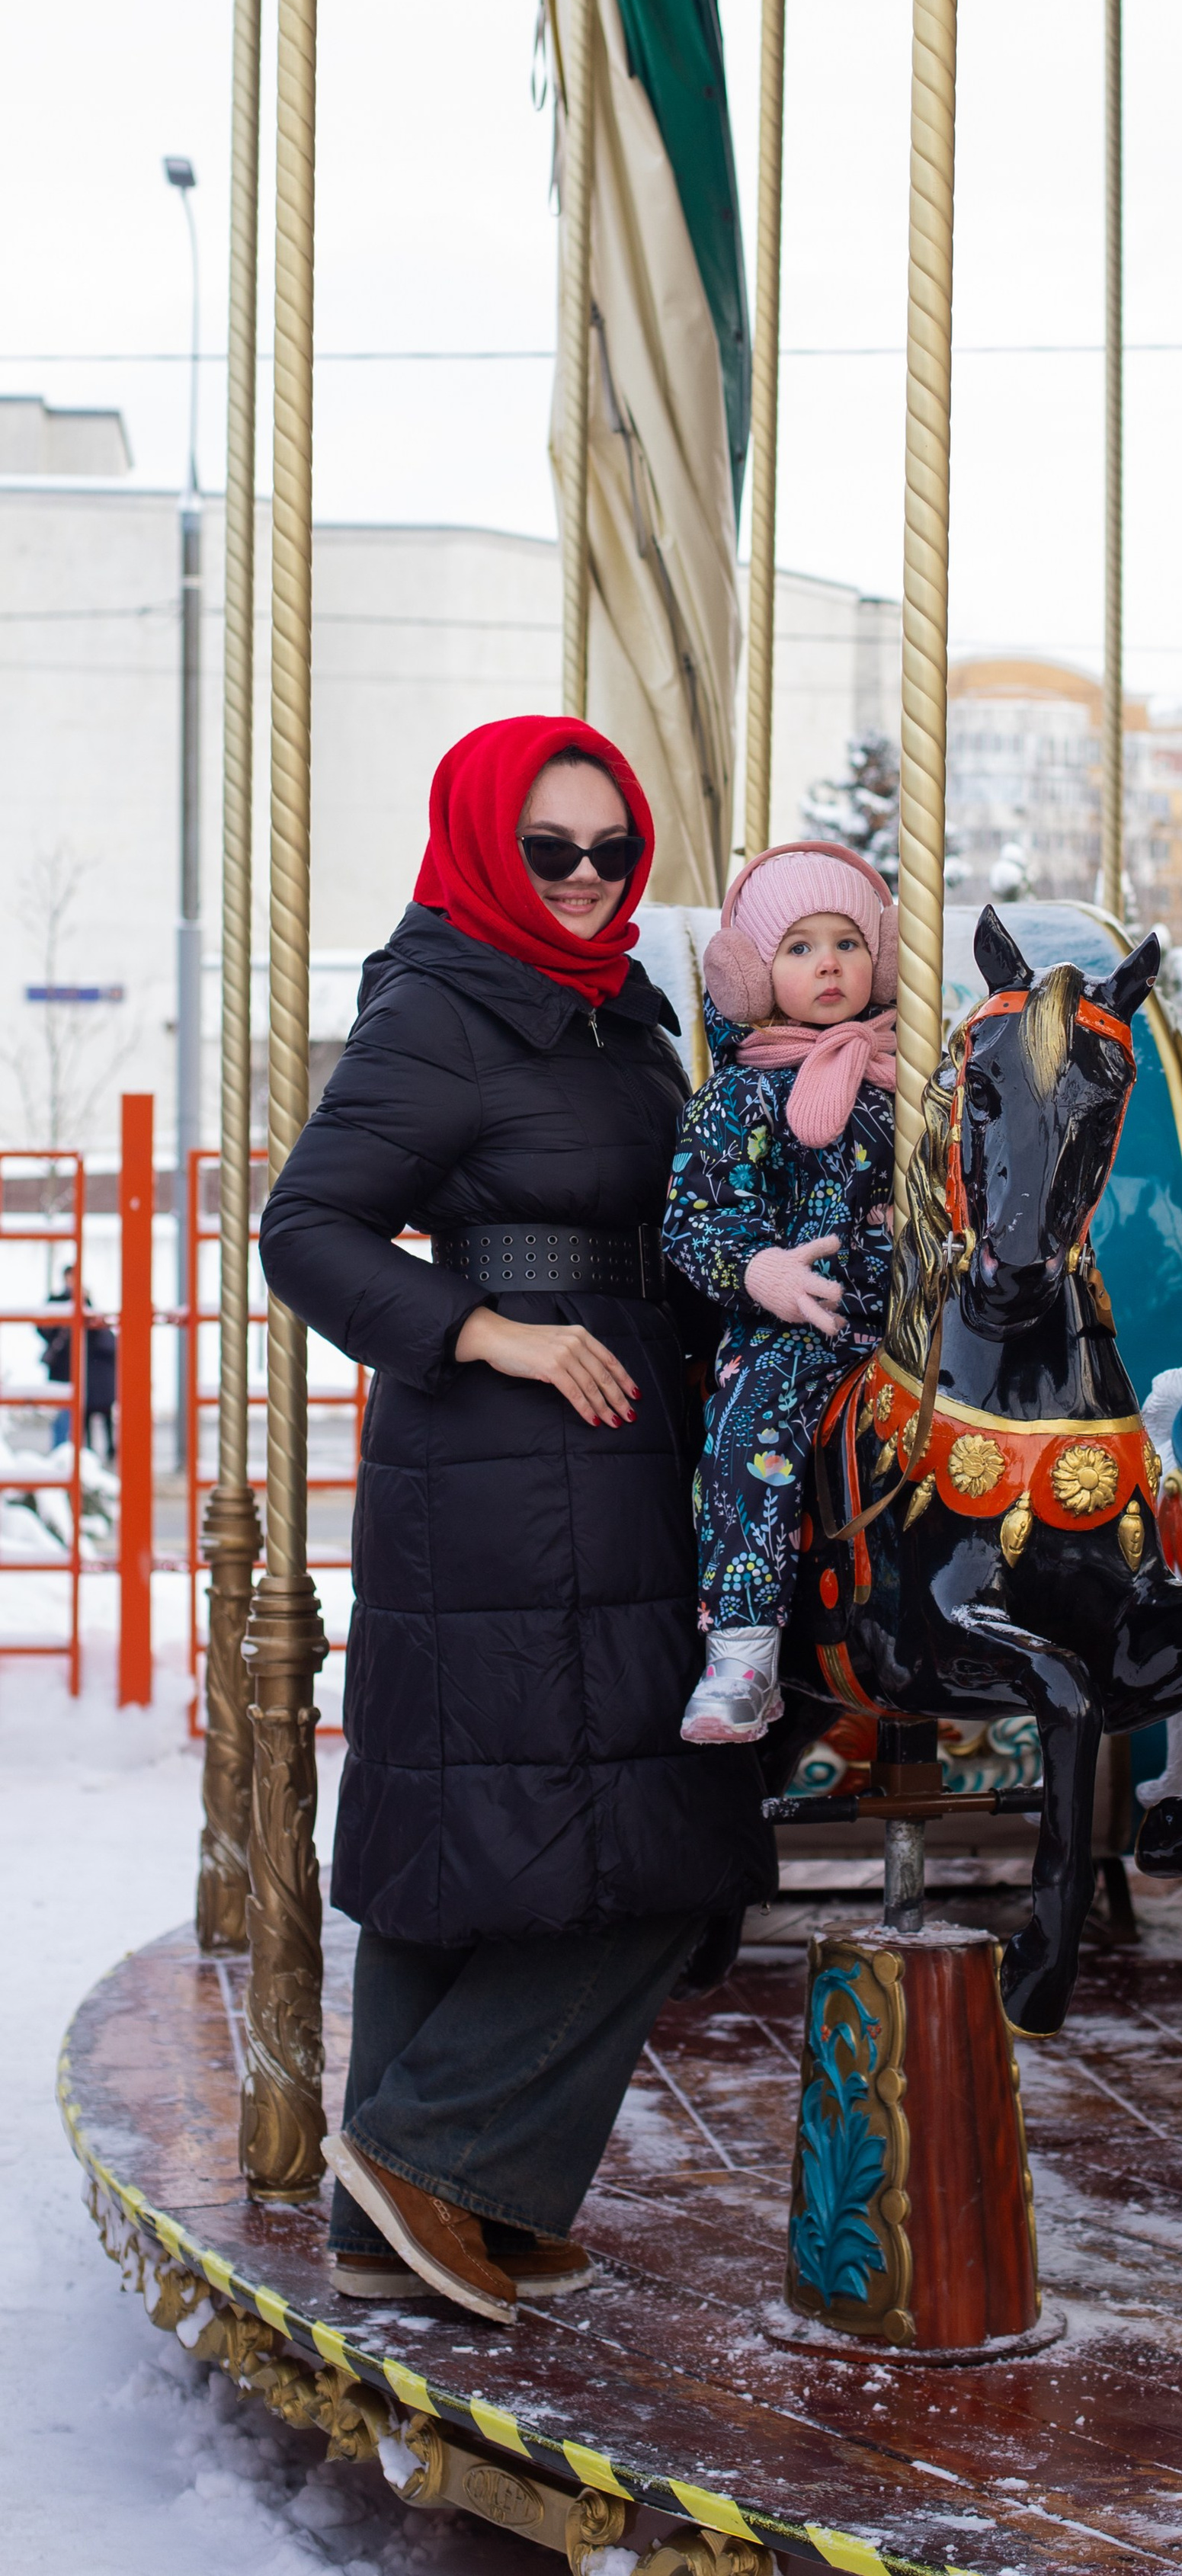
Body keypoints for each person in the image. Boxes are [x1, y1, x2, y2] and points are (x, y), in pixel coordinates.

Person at [257, 715, 774, 2321]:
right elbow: (305, 1225)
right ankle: (437, 2155)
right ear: (484, 843)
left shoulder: (621, 1005)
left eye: (610, 850)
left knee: (475, 1832)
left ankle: (397, 2199)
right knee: (656, 1832)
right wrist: (484, 1329)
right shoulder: (442, 1006)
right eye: (547, 848)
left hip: (611, 1445)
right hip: (506, 1459)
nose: (580, 877)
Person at [661, 842, 898, 1741]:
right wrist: (760, 1271)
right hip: (792, 1329)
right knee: (751, 1433)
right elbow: (696, 1217)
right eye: (798, 947)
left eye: (846, 941)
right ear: (753, 974)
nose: (828, 963)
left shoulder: (914, 1084)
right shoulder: (739, 1097)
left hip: (905, 1327)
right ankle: (746, 1649)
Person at [37, 1270, 117, 1459]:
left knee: (77, 1415)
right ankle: (60, 1453)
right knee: (62, 1414)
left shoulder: (85, 1302)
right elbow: (42, 1328)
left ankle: (75, 1453)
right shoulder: (56, 1300)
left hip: (81, 1367)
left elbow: (95, 1331)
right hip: (61, 1367)